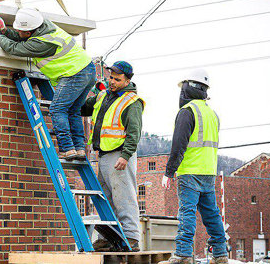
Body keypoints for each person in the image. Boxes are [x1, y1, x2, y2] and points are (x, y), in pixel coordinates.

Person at [0, 8, 95, 160]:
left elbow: (13, 48)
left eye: (19, 29)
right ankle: (79, 149)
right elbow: (21, 38)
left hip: (74, 73)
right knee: (73, 110)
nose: (16, 30)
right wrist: (4, 30)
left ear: (28, 32)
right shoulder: (44, 27)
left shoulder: (43, 44)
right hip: (87, 69)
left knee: (57, 109)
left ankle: (67, 149)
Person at [160, 69, 227, 264]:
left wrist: (168, 172)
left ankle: (183, 254)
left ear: (188, 89)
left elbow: (178, 144)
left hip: (189, 172)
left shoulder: (187, 112)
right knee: (212, 214)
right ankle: (221, 254)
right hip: (208, 172)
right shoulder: (212, 114)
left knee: (187, 212)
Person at [80, 60, 144, 252]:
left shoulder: (132, 102)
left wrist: (125, 156)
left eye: (117, 79)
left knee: (124, 197)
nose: (112, 82)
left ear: (127, 81)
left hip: (119, 155)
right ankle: (107, 238)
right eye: (110, 78)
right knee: (106, 199)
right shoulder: (104, 95)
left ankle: (131, 237)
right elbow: (84, 108)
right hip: (104, 154)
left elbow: (134, 133)